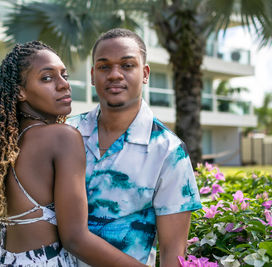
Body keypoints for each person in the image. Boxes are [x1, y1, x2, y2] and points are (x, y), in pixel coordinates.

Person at [0, 41, 146, 267]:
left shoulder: (4, 148)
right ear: (20, 91)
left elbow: (4, 230)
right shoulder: (63, 137)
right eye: (47, 78)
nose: (63, 85)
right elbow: (75, 239)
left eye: (64, 75)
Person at [67, 28, 202, 267]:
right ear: (92, 75)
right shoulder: (66, 133)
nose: (115, 74)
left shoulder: (168, 151)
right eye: (104, 66)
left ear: (145, 73)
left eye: (127, 65)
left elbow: (173, 251)